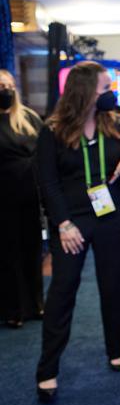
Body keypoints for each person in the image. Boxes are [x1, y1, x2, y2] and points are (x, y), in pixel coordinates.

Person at [35, 61, 120, 402]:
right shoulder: (53, 130)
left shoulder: (116, 122)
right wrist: (62, 224)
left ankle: (116, 350)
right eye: (104, 88)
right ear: (85, 92)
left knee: (115, 286)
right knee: (62, 291)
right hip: (72, 221)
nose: (111, 93)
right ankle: (47, 370)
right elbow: (47, 182)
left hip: (111, 215)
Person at [0, 70, 44, 328]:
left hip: (29, 194)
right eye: (1, 86)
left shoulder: (28, 117)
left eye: (9, 85)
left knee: (32, 249)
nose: (6, 90)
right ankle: (12, 308)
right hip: (3, 198)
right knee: (7, 253)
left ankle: (36, 303)